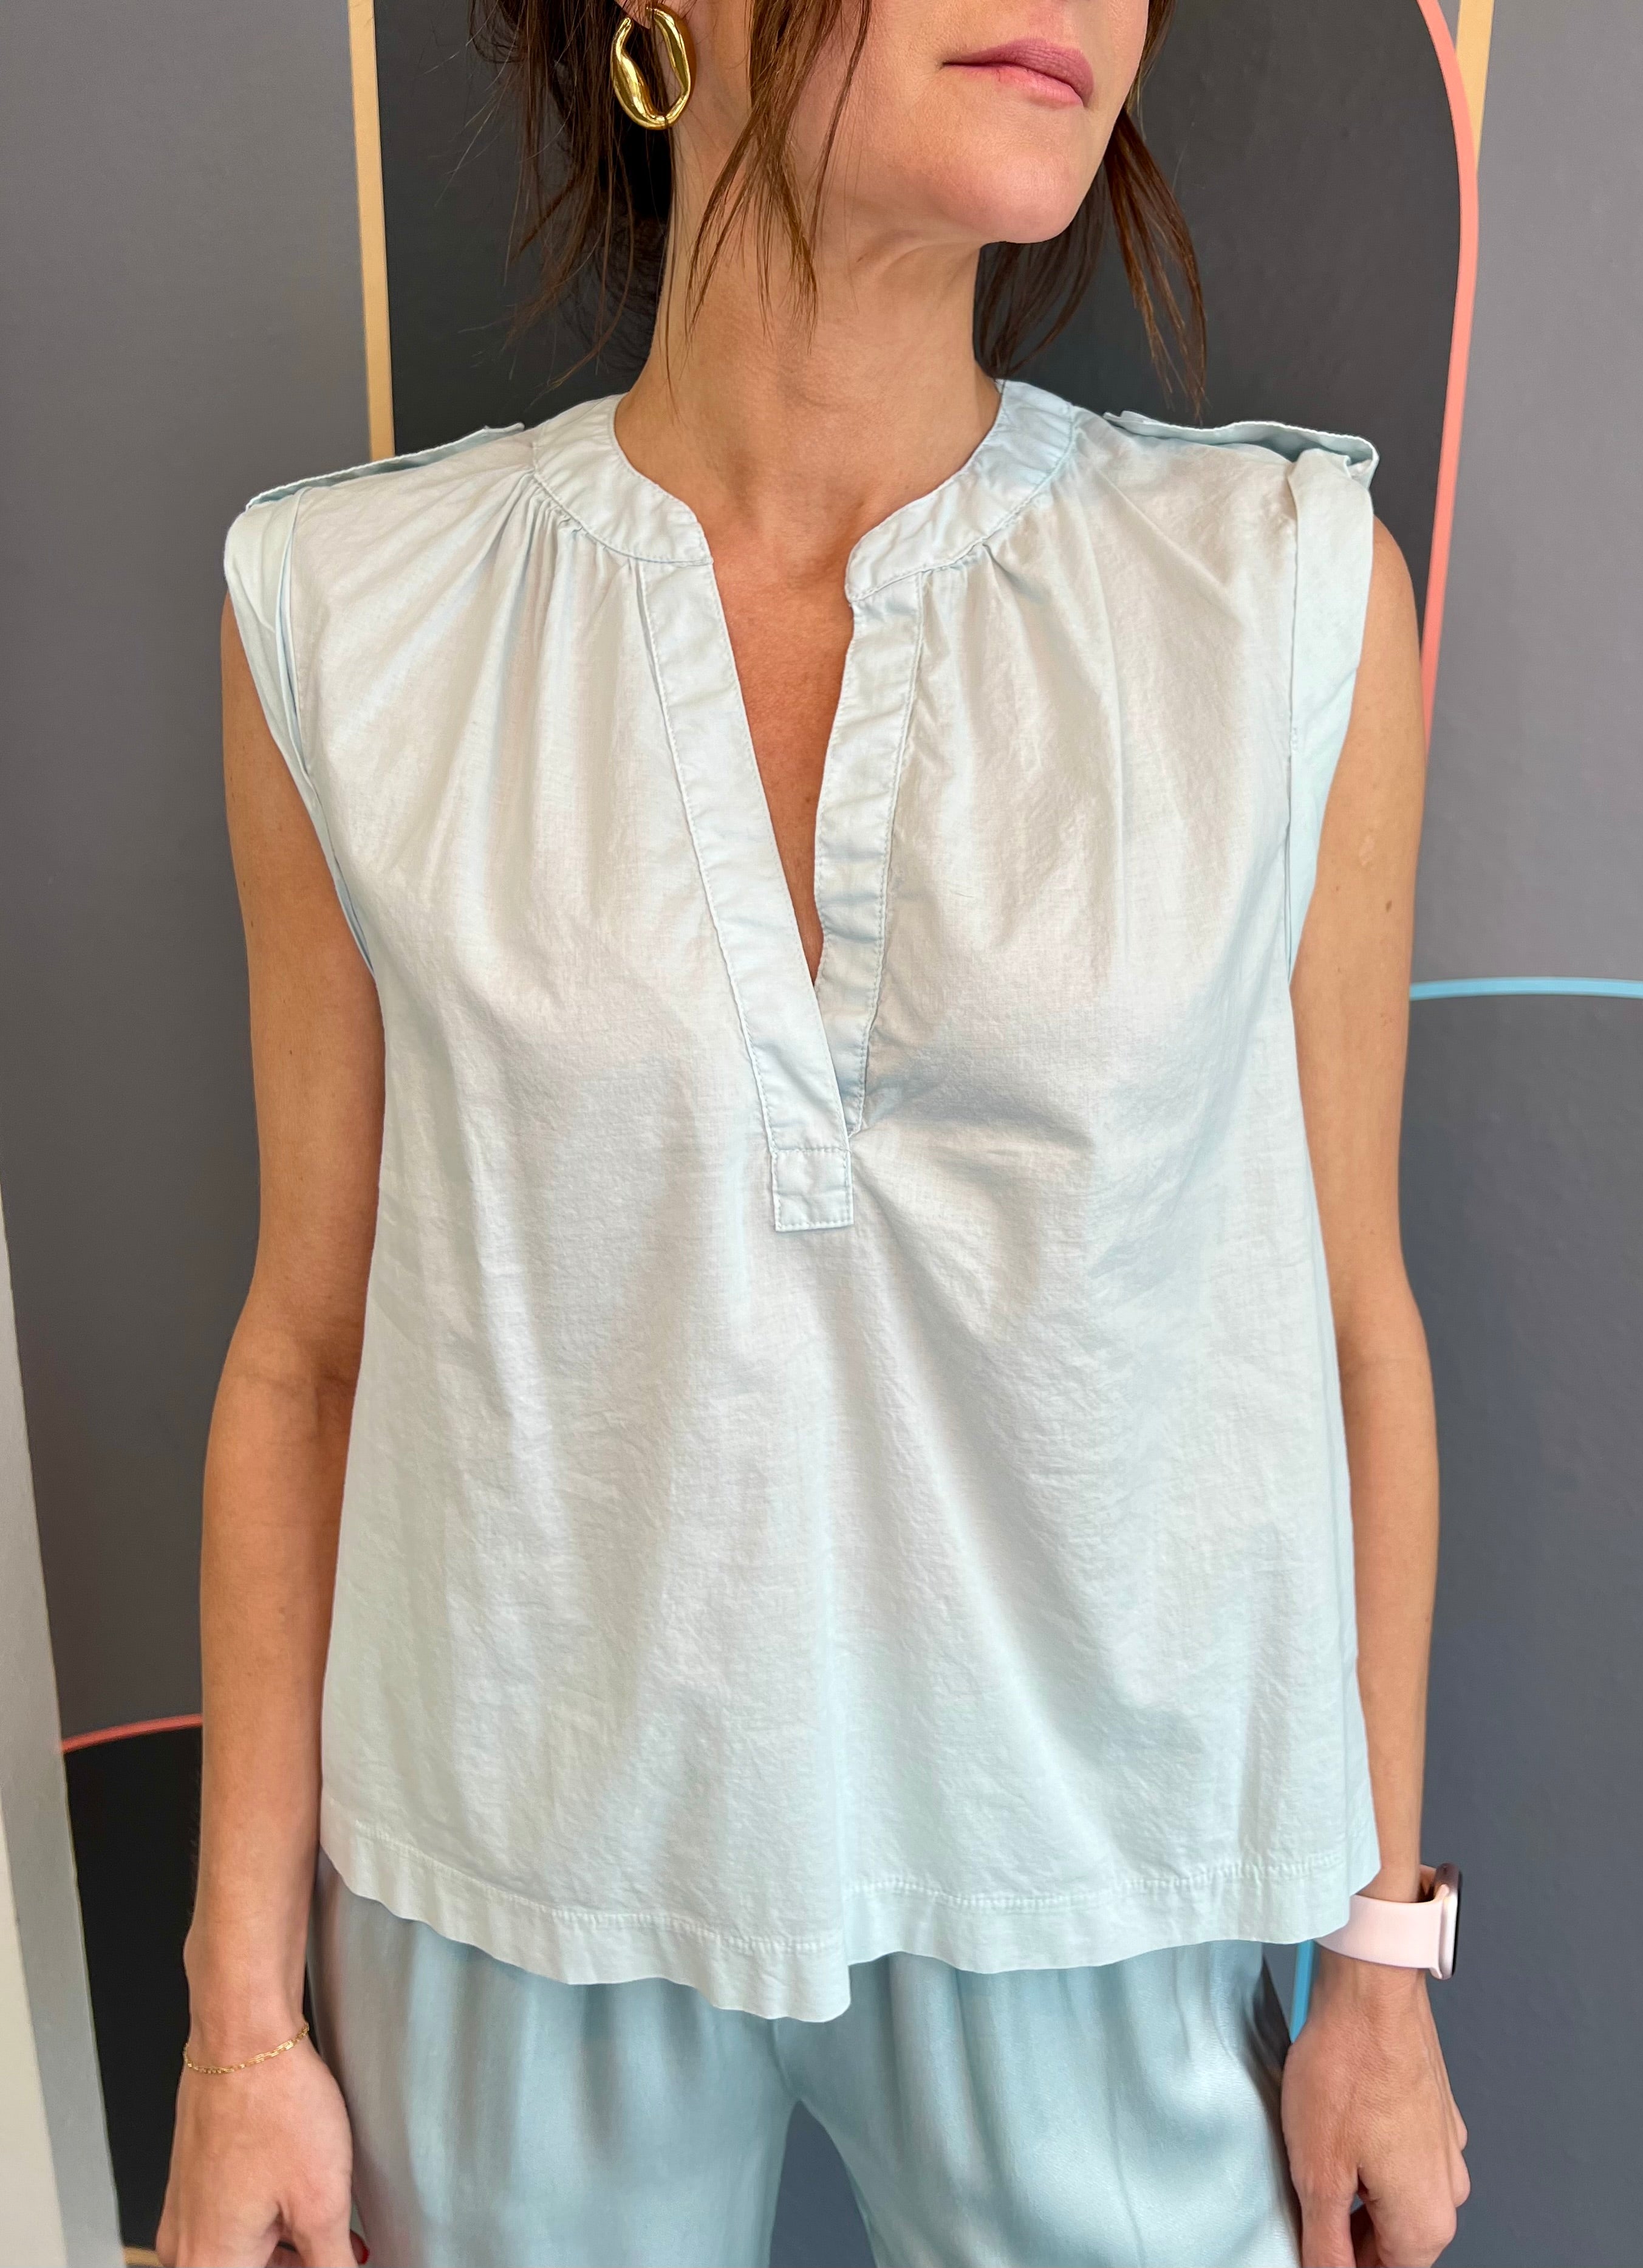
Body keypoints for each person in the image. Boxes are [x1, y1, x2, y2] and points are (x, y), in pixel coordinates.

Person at [157, 0, 1471, 2261]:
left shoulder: (1273, 599)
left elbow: (1351, 1324)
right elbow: (312, 1348)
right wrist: (242, 2031)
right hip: (511, 1894)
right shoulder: (356, 621)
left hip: (1096, 1886)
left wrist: (1380, 1961)